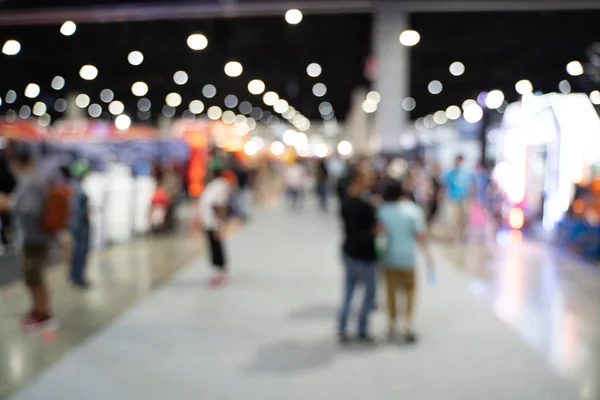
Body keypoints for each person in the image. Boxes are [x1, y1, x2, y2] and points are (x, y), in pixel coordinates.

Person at [0, 144, 54, 330]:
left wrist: (9, 205)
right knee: (32, 277)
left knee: (35, 277)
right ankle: (37, 311)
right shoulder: (32, 180)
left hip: (35, 238)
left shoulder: (31, 182)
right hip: (34, 237)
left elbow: (33, 209)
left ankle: (43, 314)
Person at [377, 180, 432, 342]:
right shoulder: (412, 211)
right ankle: (407, 325)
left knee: (391, 292)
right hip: (407, 258)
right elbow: (419, 235)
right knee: (410, 291)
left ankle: (392, 324)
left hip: (388, 257)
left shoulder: (383, 211)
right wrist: (428, 255)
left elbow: (379, 233)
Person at [338, 165, 378, 343]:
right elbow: (373, 230)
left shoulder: (346, 201)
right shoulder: (364, 205)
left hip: (348, 251)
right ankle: (361, 329)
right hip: (364, 255)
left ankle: (342, 328)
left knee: (348, 292)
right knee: (369, 294)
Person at [200, 169, 236, 287]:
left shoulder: (220, 185)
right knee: (213, 246)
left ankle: (221, 272)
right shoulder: (212, 185)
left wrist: (218, 224)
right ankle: (218, 271)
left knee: (217, 246)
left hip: (214, 222)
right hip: (209, 222)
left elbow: (220, 204)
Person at [68, 160, 91, 288]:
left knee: (78, 251)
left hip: (78, 224)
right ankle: (78, 277)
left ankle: (75, 276)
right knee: (79, 251)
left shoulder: (74, 187)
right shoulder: (78, 189)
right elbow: (76, 210)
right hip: (81, 225)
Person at [444, 155, 473, 241]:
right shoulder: (450, 173)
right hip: (453, 198)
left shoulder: (467, 173)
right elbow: (446, 185)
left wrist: (471, 196)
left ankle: (463, 235)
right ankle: (454, 236)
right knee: (454, 218)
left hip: (464, 198)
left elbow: (471, 185)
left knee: (464, 217)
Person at [0, 149, 16, 254]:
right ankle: (7, 241)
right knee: (7, 221)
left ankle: (5, 241)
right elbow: (14, 185)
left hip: (4, 200)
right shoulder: (8, 174)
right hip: (7, 200)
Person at [426, 163, 443, 230]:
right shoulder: (431, 178)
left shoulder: (438, 178)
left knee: (433, 214)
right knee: (429, 214)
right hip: (431, 199)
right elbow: (429, 188)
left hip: (434, 199)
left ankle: (430, 228)